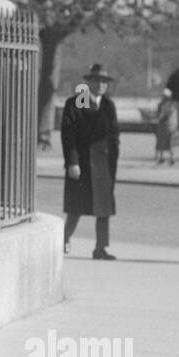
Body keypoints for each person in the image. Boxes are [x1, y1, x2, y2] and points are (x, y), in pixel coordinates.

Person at [61, 63, 120, 260]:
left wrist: (113, 163)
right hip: (82, 163)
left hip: (103, 165)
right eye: (97, 81)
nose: (101, 85)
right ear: (88, 83)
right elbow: (68, 135)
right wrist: (72, 162)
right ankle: (64, 238)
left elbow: (114, 137)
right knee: (76, 207)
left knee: (103, 209)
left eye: (104, 82)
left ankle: (100, 248)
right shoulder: (78, 101)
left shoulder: (108, 105)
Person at [154, 87, 179, 165]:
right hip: (172, 126)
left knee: (165, 142)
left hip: (167, 126)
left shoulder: (166, 105)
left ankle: (166, 158)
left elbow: (164, 115)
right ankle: (169, 158)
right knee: (170, 143)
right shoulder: (174, 104)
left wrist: (160, 118)